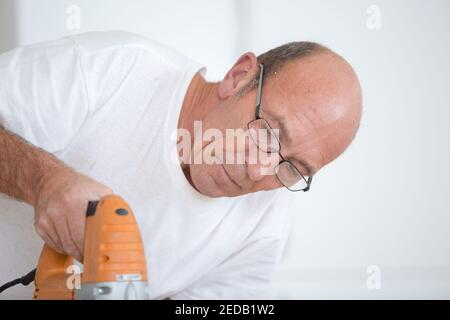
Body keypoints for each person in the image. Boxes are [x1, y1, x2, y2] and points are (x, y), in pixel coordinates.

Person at [0, 31, 362, 299]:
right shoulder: (112, 71)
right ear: (239, 77)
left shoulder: (265, 225)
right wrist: (42, 180)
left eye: (294, 167)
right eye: (267, 132)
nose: (258, 170)